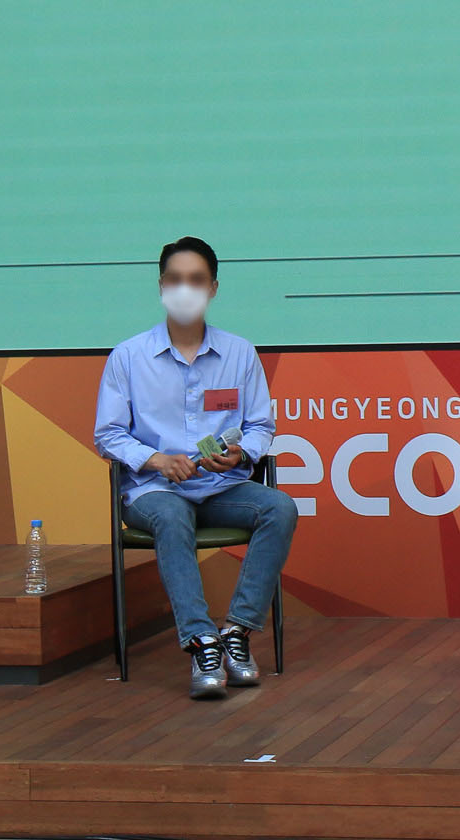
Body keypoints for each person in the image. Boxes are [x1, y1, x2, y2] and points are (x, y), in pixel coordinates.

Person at [93, 236, 298, 701]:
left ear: (213, 288)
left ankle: (237, 631)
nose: (185, 289)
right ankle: (201, 641)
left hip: (222, 487)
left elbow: (262, 425)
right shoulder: (128, 356)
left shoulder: (240, 353)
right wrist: (156, 460)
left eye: (196, 280)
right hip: (153, 492)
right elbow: (108, 435)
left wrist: (242, 454)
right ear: (161, 286)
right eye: (176, 279)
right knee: (171, 515)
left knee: (280, 508)